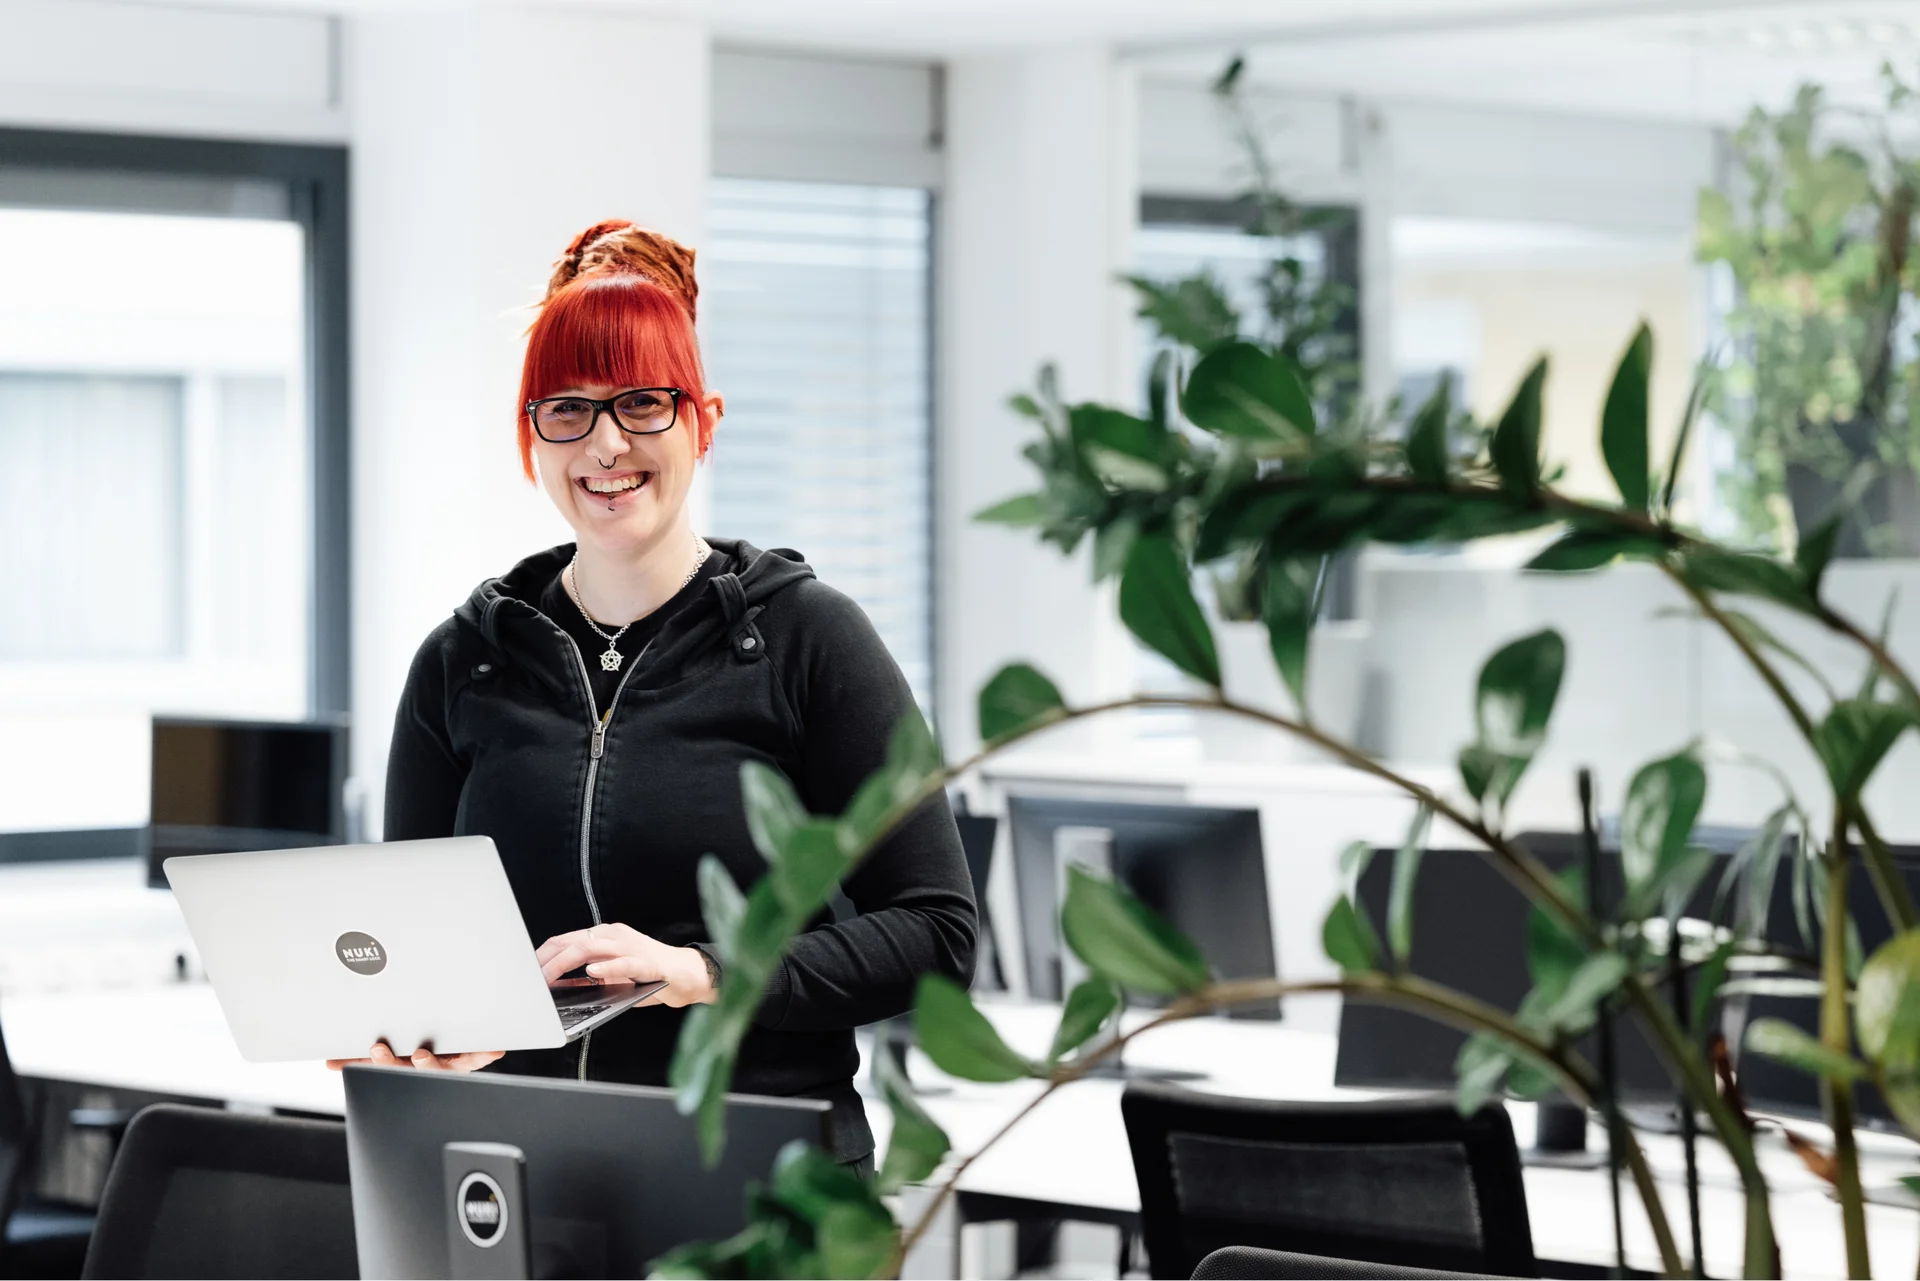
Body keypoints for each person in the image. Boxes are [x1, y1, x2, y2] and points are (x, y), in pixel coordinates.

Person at [353, 219, 976, 1169]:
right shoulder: (462, 662)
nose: (605, 446)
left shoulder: (809, 640)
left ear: (704, 422)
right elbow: (420, 950)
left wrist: (709, 972)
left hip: (762, 1188)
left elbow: (938, 931)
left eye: (642, 404)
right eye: (567, 410)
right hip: (526, 1178)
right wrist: (413, 1031)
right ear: (531, 437)